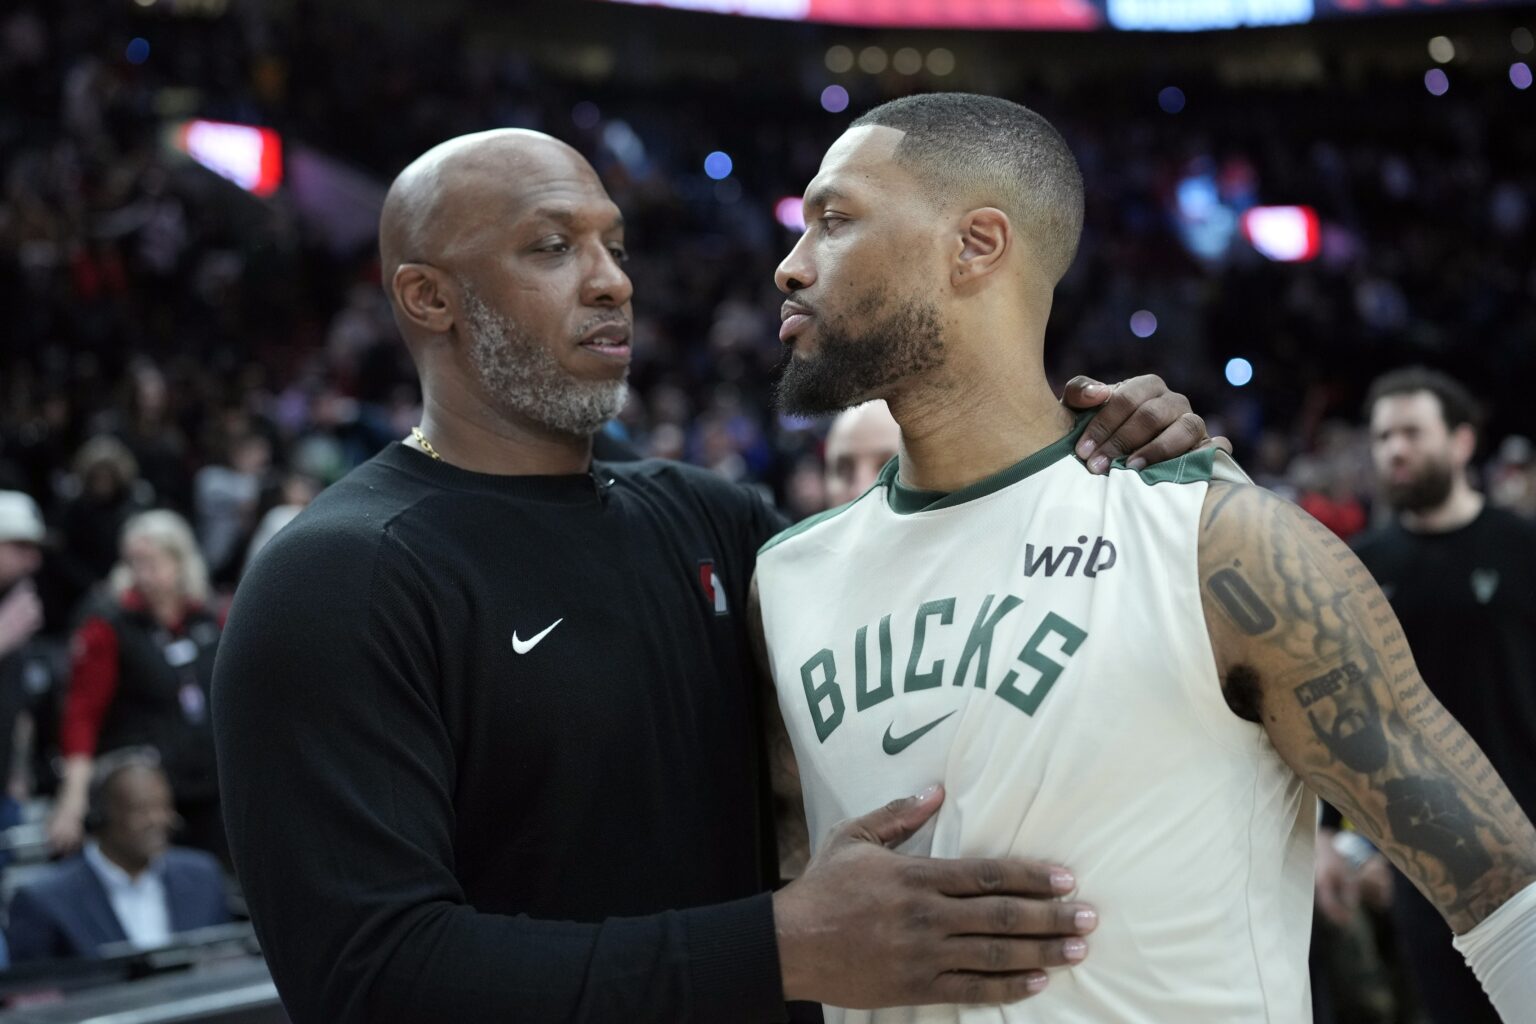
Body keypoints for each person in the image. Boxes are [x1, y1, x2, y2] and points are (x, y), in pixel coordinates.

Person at [212, 127, 1226, 1024]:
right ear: (428, 297)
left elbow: (971, 615)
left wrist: (1102, 459)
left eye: (615, 245)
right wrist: (780, 948)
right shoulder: (338, 579)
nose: (611, 281)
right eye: (552, 248)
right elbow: (368, 979)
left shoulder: (710, 519)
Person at [753, 93, 1536, 1023]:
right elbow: (796, 902)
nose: (790, 265)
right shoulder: (784, 580)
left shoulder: (1219, 544)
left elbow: (1507, 897)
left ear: (977, 245)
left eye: (835, 220)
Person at [1335, 366, 1536, 1024]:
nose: (1395, 449)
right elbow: (1341, 716)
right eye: (1383, 437)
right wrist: (1350, 842)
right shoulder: (1356, 567)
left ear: (1461, 442)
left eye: (1412, 432)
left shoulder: (1522, 547)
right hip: (1426, 862)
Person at [49, 510, 224, 861]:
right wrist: (74, 795)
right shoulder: (107, 624)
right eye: (133, 563)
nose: (141, 575)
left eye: (152, 563)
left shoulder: (209, 619)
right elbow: (82, 713)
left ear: (180, 562)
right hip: (144, 792)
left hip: (210, 783)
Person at [7, 751, 229, 961]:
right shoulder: (44, 901)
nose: (157, 820)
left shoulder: (203, 876)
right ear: (100, 816)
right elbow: (34, 986)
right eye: (141, 810)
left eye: (164, 807)